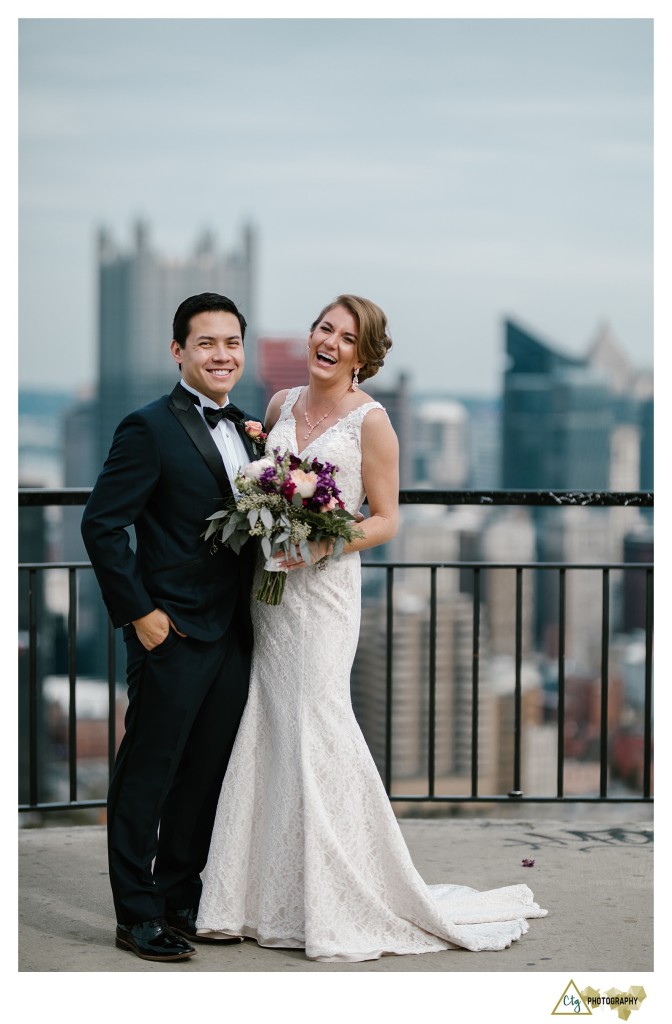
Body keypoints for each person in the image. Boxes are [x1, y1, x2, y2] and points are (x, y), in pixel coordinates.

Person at [195, 294, 547, 962]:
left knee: (319, 724)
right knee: (270, 720)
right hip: (269, 596)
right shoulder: (278, 406)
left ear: (365, 354)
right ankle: (257, 894)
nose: (330, 341)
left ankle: (344, 891)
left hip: (324, 595)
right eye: (324, 328)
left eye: (347, 337)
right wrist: (268, 521)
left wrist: (322, 545)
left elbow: (386, 518)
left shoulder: (372, 424)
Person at [81, 292, 261, 962]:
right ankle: (136, 914)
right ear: (179, 351)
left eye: (232, 343)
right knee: (147, 777)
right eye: (207, 343)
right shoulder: (147, 426)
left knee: (204, 772)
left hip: (235, 633)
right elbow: (101, 524)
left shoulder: (248, 429)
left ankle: (180, 894)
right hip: (172, 632)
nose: (222, 354)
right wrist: (143, 616)